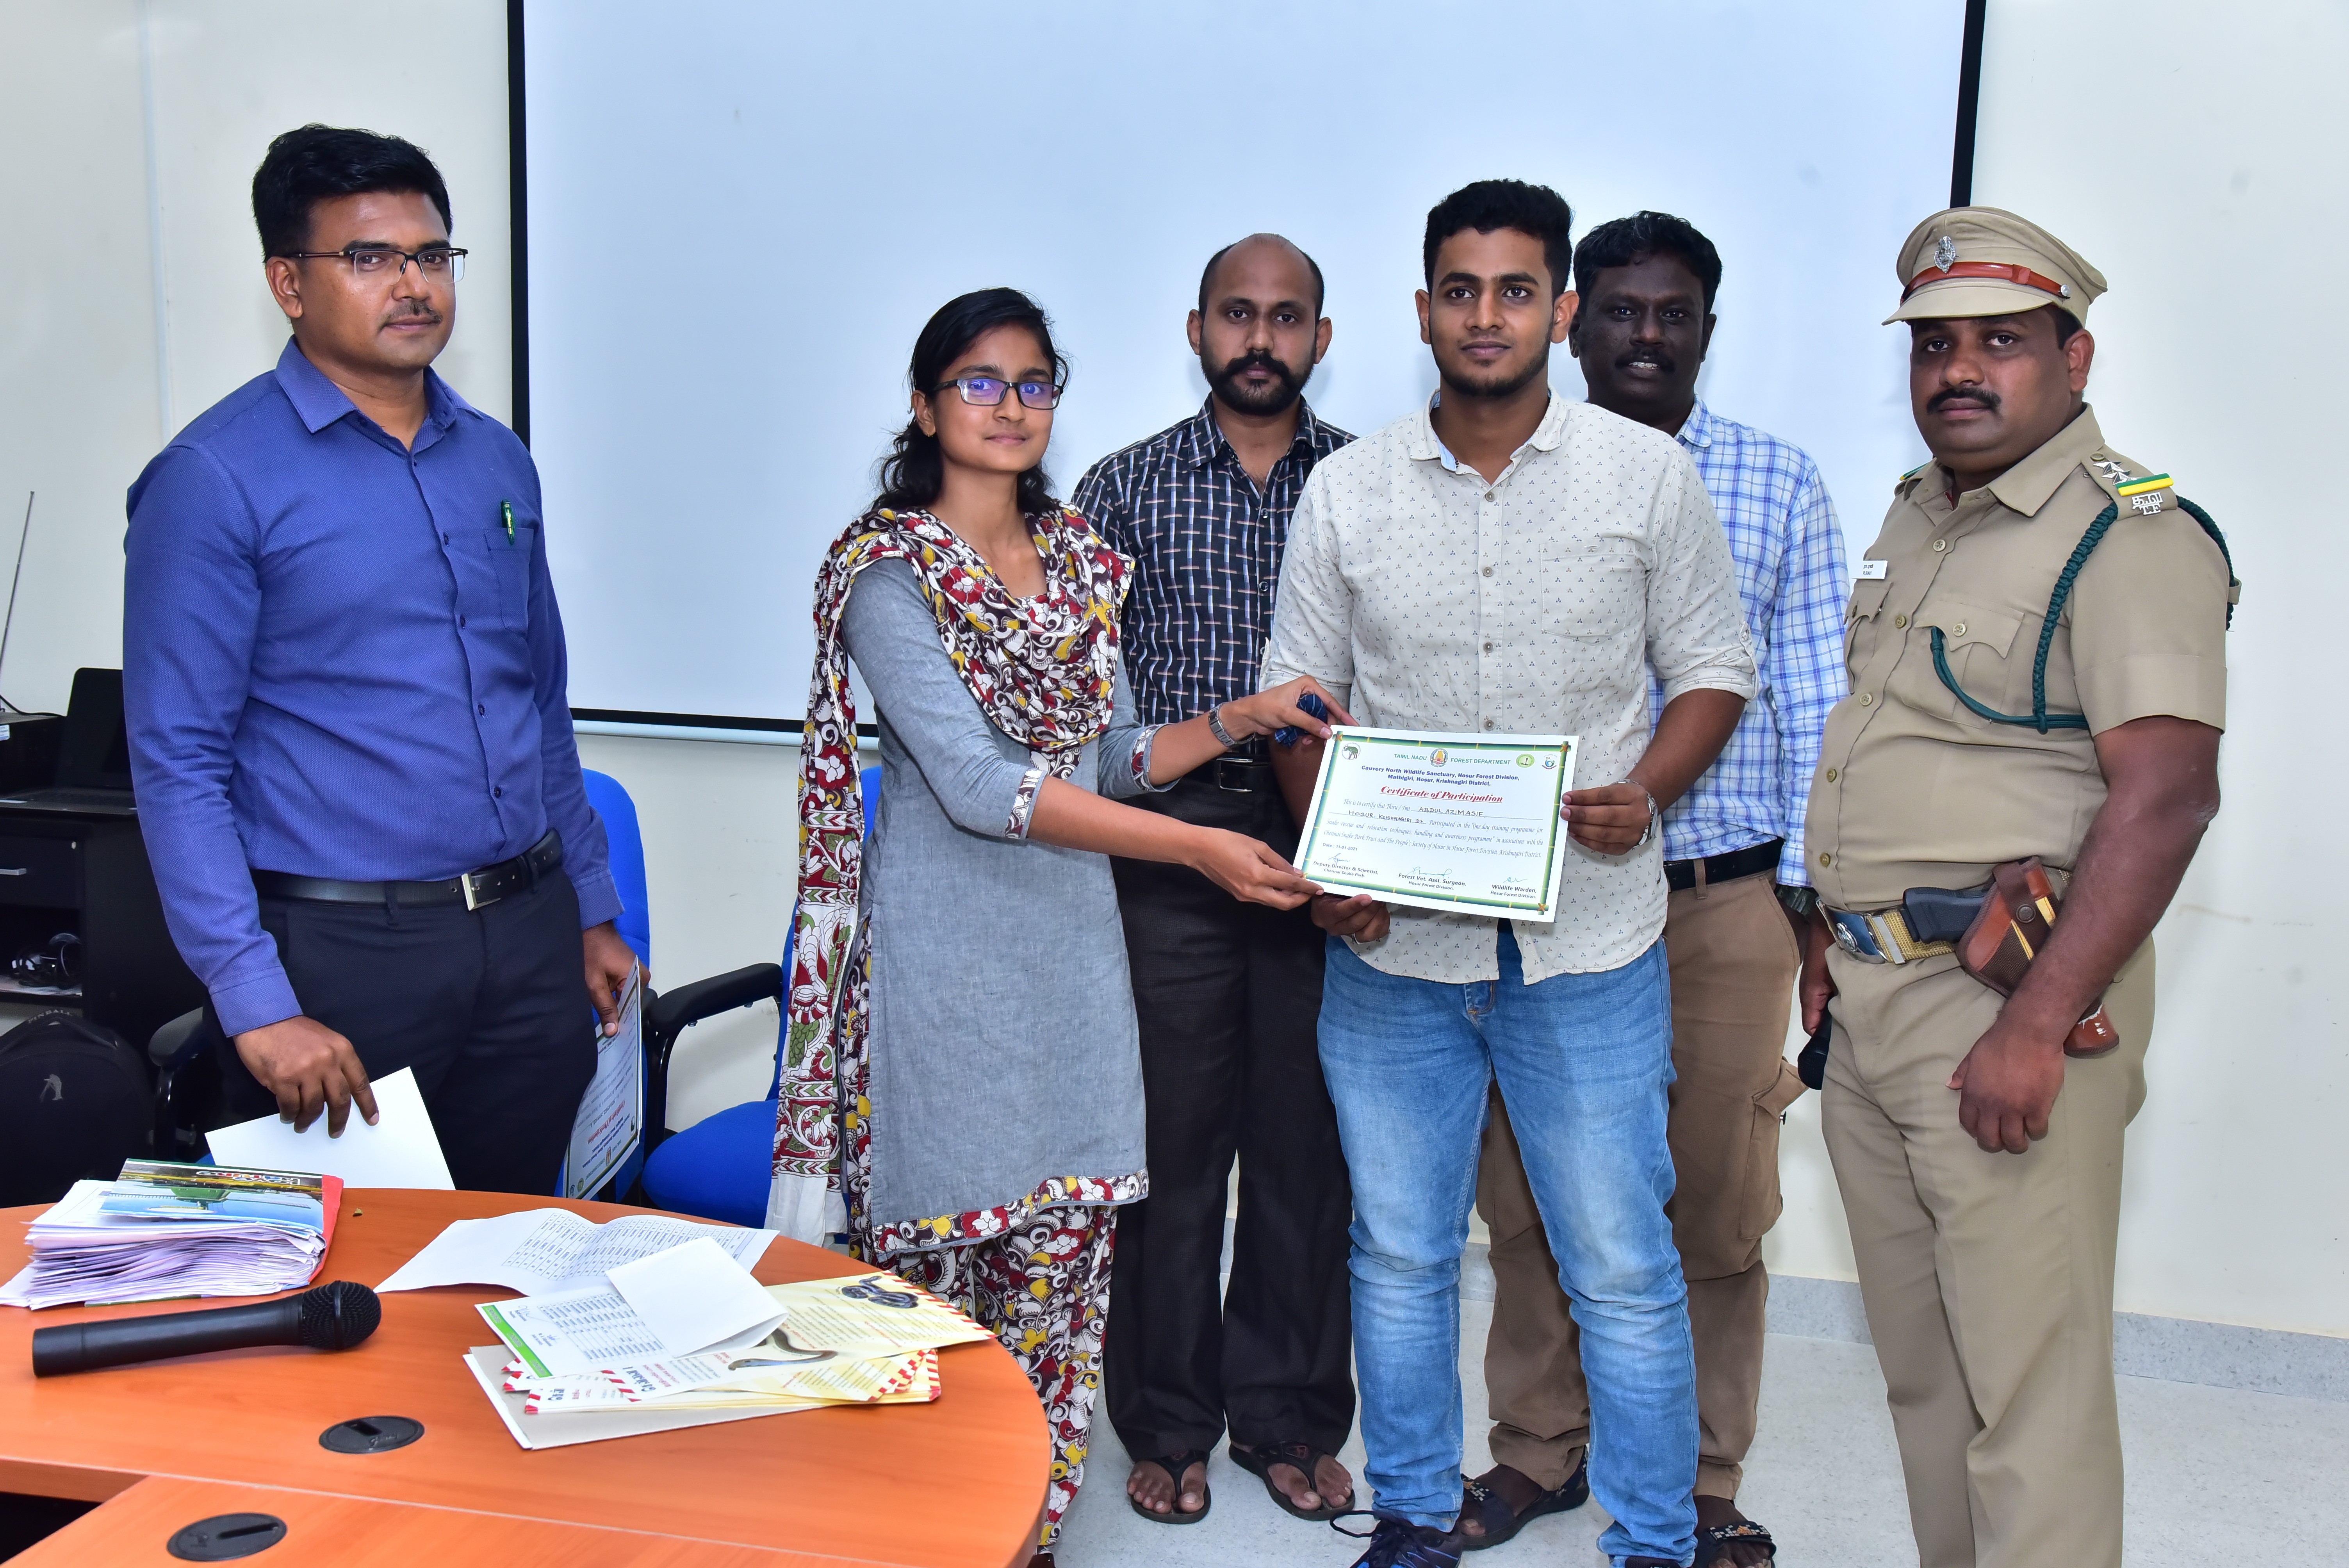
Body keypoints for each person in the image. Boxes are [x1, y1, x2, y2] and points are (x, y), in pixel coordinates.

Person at [780, 287, 1348, 1566]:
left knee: (1063, 1268)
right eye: (979, 384)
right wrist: (1201, 848)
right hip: (944, 972)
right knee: (936, 1281)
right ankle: (919, 1530)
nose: (1010, 408)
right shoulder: (886, 573)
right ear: (926, 406)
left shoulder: (1084, 562)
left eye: (1034, 383)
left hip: (1078, 968)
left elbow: (1111, 759)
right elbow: (984, 789)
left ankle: (1021, 1533)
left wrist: (1245, 718)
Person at [1261, 179, 1757, 1568]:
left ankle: (1653, 1541)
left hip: (1588, 945)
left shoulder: (1644, 476)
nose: (1488, 315)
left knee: (1624, 1267)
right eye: (1462, 290)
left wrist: (1646, 794)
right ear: (1424, 311)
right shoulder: (1348, 490)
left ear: (1561, 309)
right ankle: (1417, 1516)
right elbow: (1298, 701)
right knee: (1400, 1255)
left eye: (1517, 291)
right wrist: (1331, 862)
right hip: (1394, 955)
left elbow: (1714, 668)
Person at [1802, 208, 2233, 1568]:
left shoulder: (2133, 535)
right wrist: (1830, 937)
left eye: (2001, 342)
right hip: (1874, 1000)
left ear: (2075, 357)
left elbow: (2168, 798)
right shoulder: (1922, 513)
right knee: (1930, 1383)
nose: (1959, 372)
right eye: (1935, 346)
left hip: (2003, 1002)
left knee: (2028, 1404)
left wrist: (2036, 1029)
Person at [123, 125, 635, 1193]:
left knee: (506, 1247)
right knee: (343, 1270)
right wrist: (254, 1002)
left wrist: (589, 908)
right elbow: (178, 764)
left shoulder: (496, 459)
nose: (413, 285)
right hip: (340, 955)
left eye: (431, 255)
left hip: (529, 940)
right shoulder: (213, 479)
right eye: (369, 258)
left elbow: (539, 701)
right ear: (288, 283)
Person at [1467, 211, 1848, 1566]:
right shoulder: (1514, 475)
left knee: (1713, 1204)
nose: (1645, 334)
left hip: (1719, 903)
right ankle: (1537, 1446)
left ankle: (1698, 1477)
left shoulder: (1778, 483)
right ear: (1576, 321)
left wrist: (1815, 912)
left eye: (1671, 313)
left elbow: (1815, 697)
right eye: (1619, 309)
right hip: (1547, 903)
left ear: (1705, 329)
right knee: (1530, 1197)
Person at [1069, 234, 1358, 1529]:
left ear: (1321, 338)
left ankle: (1286, 1418)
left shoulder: (1365, 482)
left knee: (1306, 1150)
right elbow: (1087, 708)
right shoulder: (1120, 488)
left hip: (1325, 841)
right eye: (1237, 314)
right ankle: (1169, 1422)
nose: (1260, 339)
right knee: (1171, 1153)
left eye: (1286, 318)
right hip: (1171, 844)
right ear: (1197, 330)